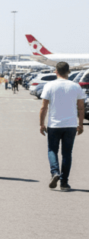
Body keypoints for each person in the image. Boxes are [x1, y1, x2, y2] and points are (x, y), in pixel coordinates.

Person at [39, 62, 86, 191]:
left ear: (56, 71)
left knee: (52, 150)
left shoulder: (49, 85)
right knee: (67, 153)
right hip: (70, 125)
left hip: (54, 124)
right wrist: (80, 124)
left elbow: (44, 107)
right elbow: (81, 107)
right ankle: (64, 183)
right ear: (68, 72)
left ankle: (55, 172)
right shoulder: (76, 87)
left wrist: (41, 124)